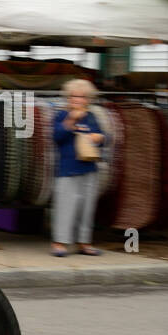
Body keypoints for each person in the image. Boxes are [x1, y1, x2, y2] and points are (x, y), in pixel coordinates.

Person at [50, 78, 105, 257]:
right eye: (73, 96)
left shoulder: (92, 117)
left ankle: (84, 242)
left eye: (81, 97)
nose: (77, 100)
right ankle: (59, 243)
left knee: (86, 208)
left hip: (89, 168)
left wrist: (99, 138)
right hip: (67, 169)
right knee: (65, 207)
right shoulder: (60, 115)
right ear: (68, 98)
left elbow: (105, 137)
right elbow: (56, 137)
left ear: (87, 99)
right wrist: (70, 122)